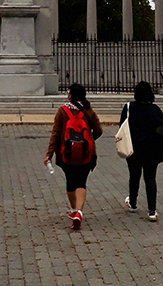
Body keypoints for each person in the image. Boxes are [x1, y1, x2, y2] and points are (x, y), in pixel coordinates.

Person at [44, 83, 102, 231]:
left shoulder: (62, 111)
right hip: (86, 153)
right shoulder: (87, 110)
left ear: (70, 96)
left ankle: (74, 210)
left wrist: (49, 154)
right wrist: (89, 139)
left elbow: (55, 134)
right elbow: (99, 130)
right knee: (81, 182)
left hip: (66, 153)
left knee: (70, 182)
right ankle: (80, 212)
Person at [118, 80, 163, 221]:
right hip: (151, 149)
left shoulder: (129, 107)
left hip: (133, 148)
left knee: (134, 176)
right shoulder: (155, 109)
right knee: (150, 178)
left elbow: (122, 126)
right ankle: (152, 210)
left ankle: (133, 203)